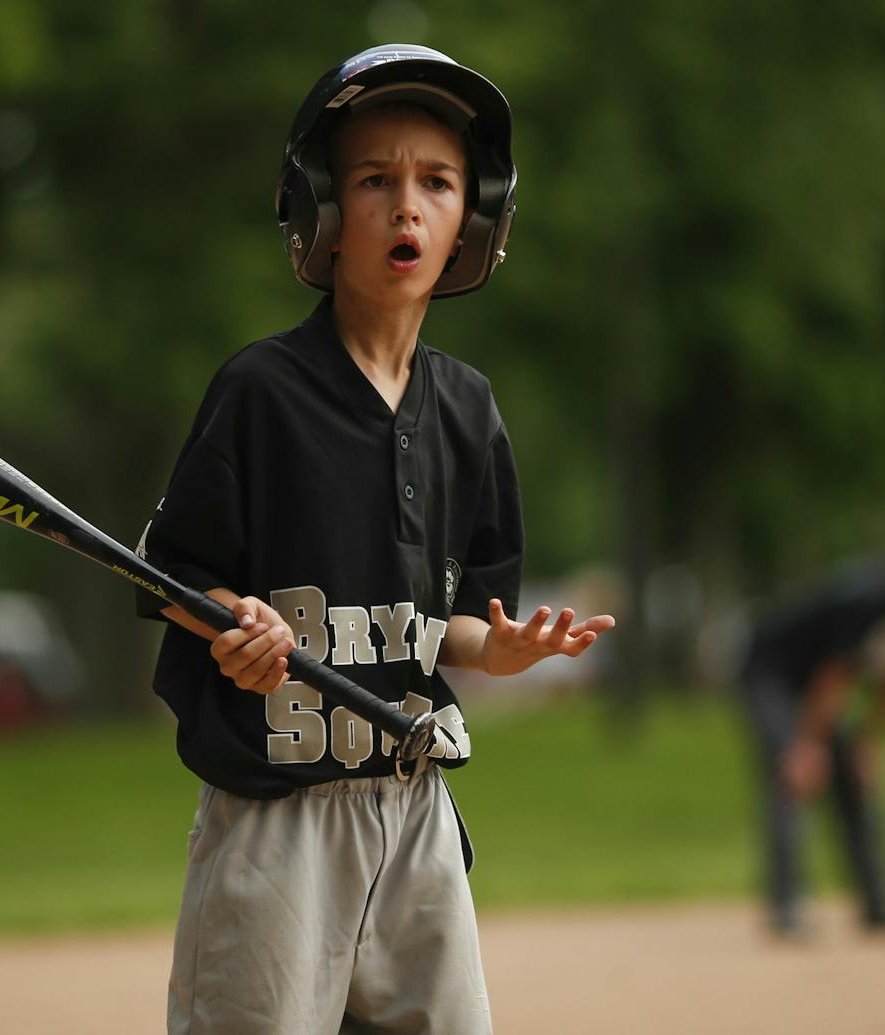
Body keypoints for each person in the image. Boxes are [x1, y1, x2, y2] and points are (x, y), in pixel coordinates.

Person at [134, 44, 615, 1034]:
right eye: (372, 180)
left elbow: (453, 628)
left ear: (472, 224)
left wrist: (505, 647)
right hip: (277, 821)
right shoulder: (259, 393)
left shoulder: (468, 412)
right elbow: (172, 576)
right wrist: (237, 624)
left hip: (413, 806)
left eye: (436, 183)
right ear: (317, 210)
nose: (406, 207)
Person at [739, 511, 885, 939]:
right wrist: (808, 746)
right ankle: (787, 907)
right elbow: (833, 675)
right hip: (773, 671)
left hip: (821, 687)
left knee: (854, 778)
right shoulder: (870, 595)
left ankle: (878, 904)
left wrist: (869, 741)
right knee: (793, 773)